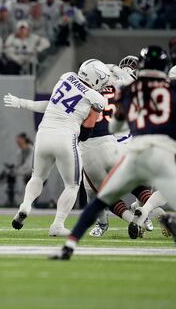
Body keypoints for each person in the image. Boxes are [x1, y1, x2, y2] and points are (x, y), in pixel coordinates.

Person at [51, 46, 176, 260]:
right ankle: (151, 215)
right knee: (159, 193)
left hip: (134, 153)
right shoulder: (171, 89)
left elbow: (115, 126)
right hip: (162, 152)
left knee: (100, 199)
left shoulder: (129, 89)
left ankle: (69, 247)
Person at [5, 59, 110, 236]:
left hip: (44, 133)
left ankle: (26, 205)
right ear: (96, 78)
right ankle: (57, 225)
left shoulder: (67, 77)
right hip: (65, 137)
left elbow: (51, 105)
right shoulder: (97, 98)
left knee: (37, 176)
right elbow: (88, 129)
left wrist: (22, 102)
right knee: (72, 186)